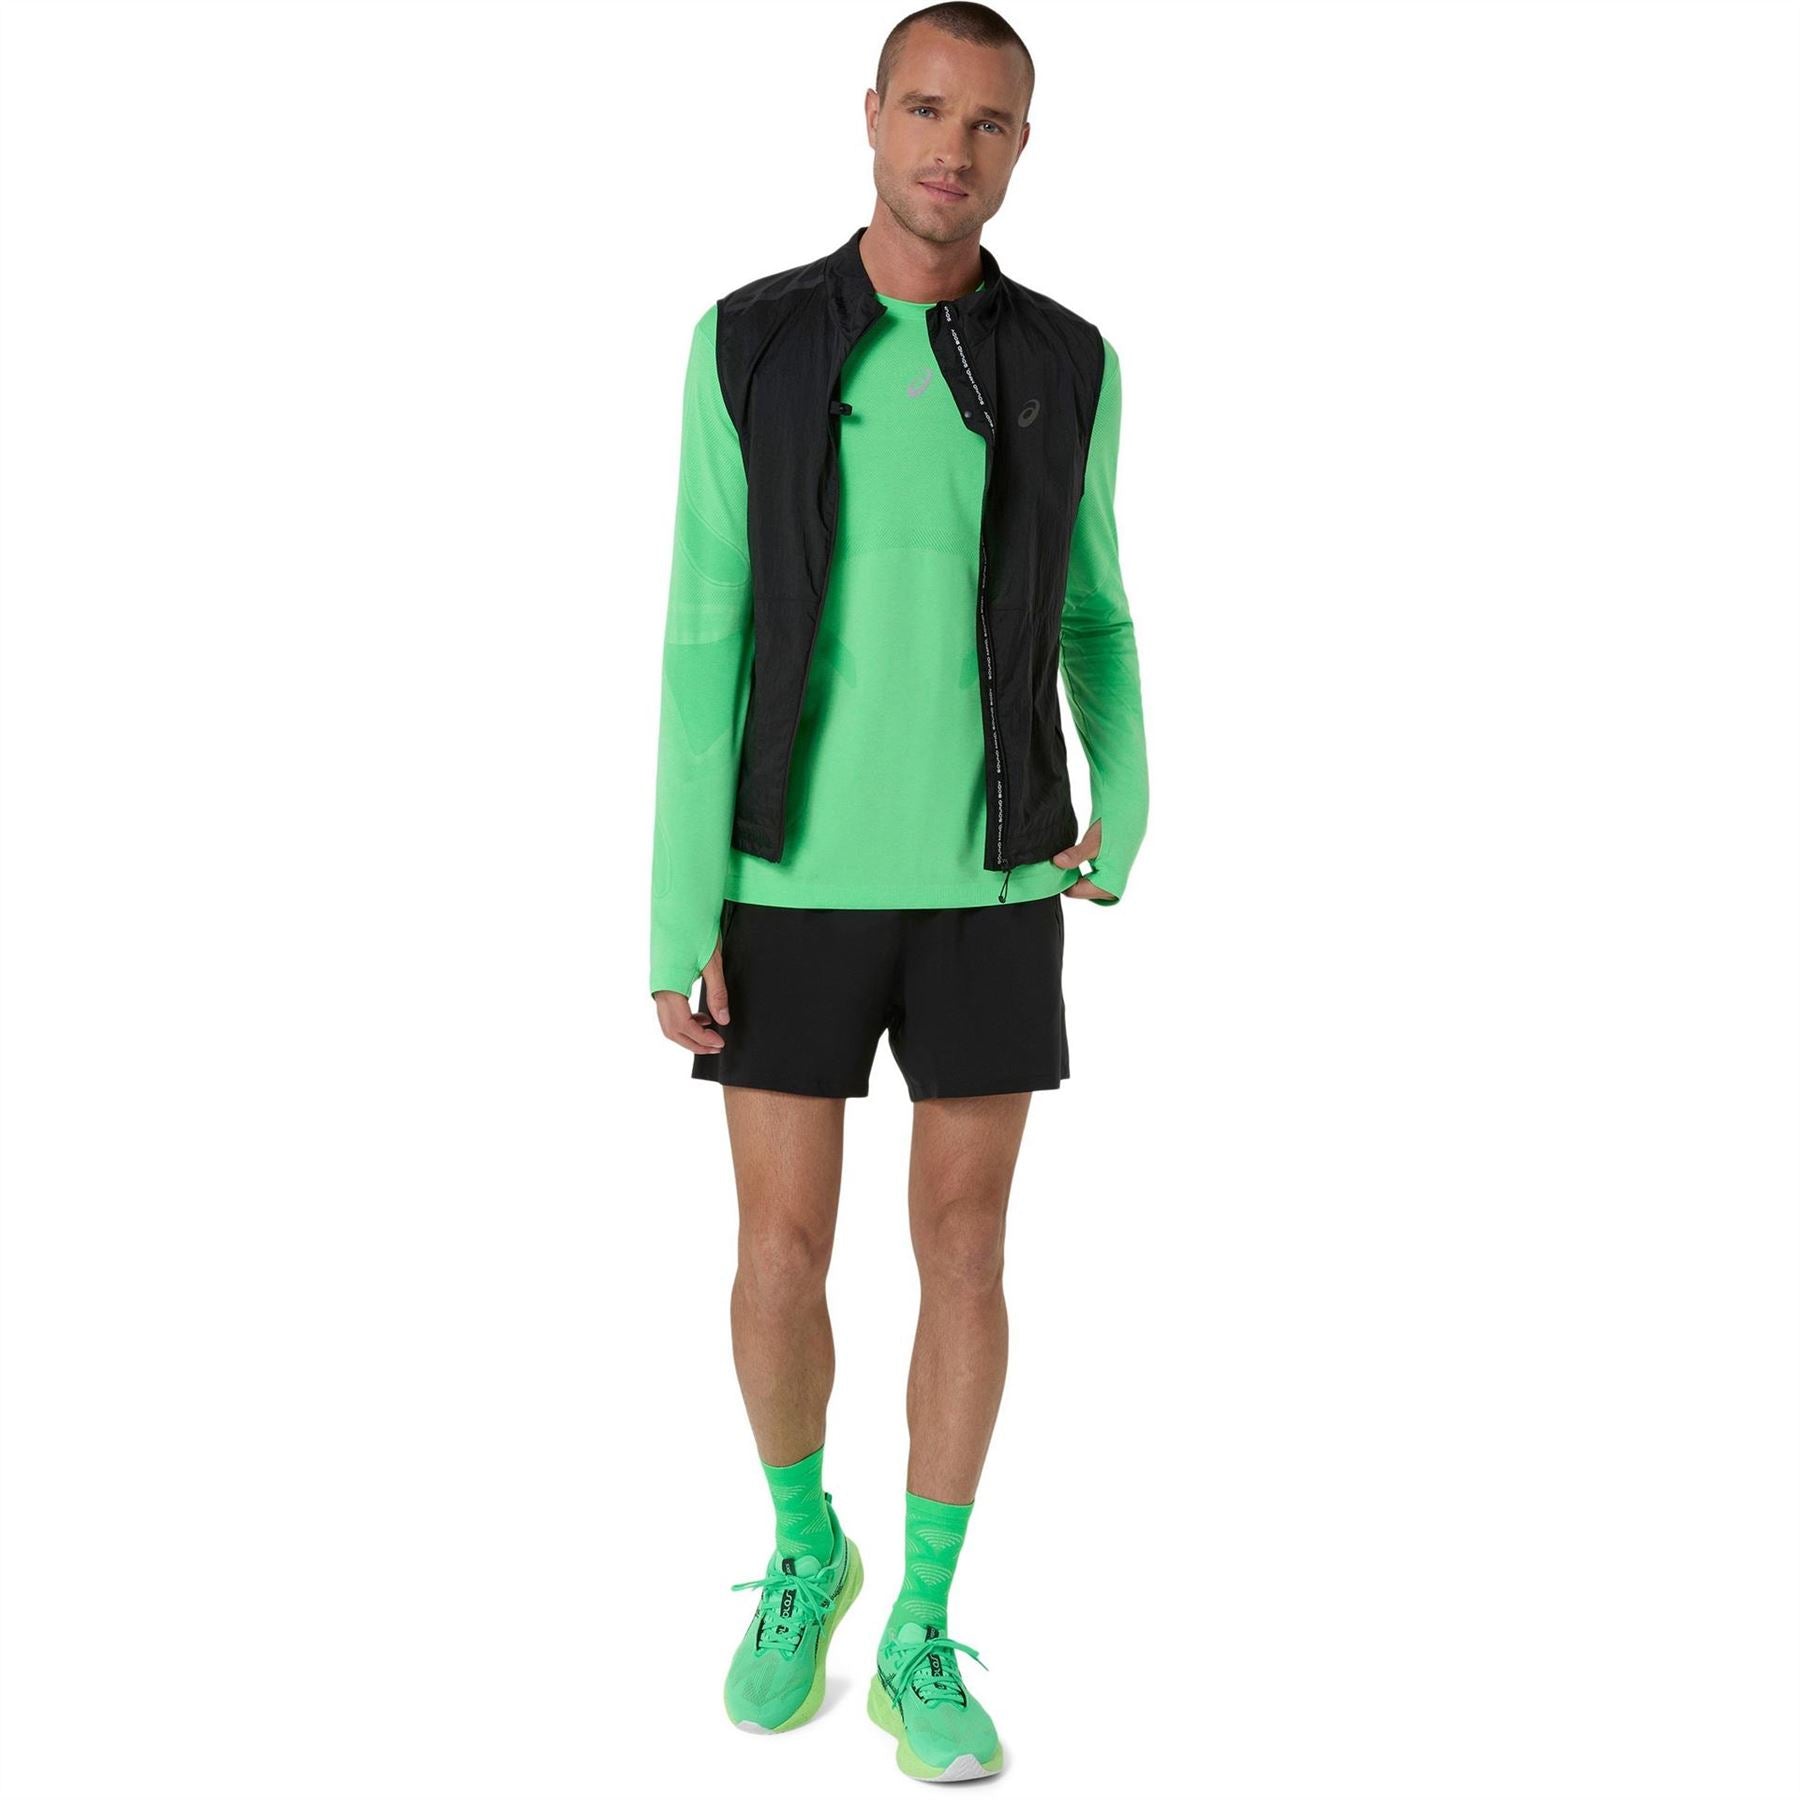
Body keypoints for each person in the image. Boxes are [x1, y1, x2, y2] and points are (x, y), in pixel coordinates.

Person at [647, 2, 1148, 1781]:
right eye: (928, 109)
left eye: (990, 122)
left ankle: (922, 1621)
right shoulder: (750, 341)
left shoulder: (1069, 360)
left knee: (966, 1248)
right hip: (785, 876)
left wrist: (1126, 792)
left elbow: (1094, 607)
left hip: (992, 876)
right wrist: (676, 908)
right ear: (871, 116)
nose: (954, 146)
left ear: (1023, 147)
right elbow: (703, 632)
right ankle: (808, 1552)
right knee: (777, 1256)